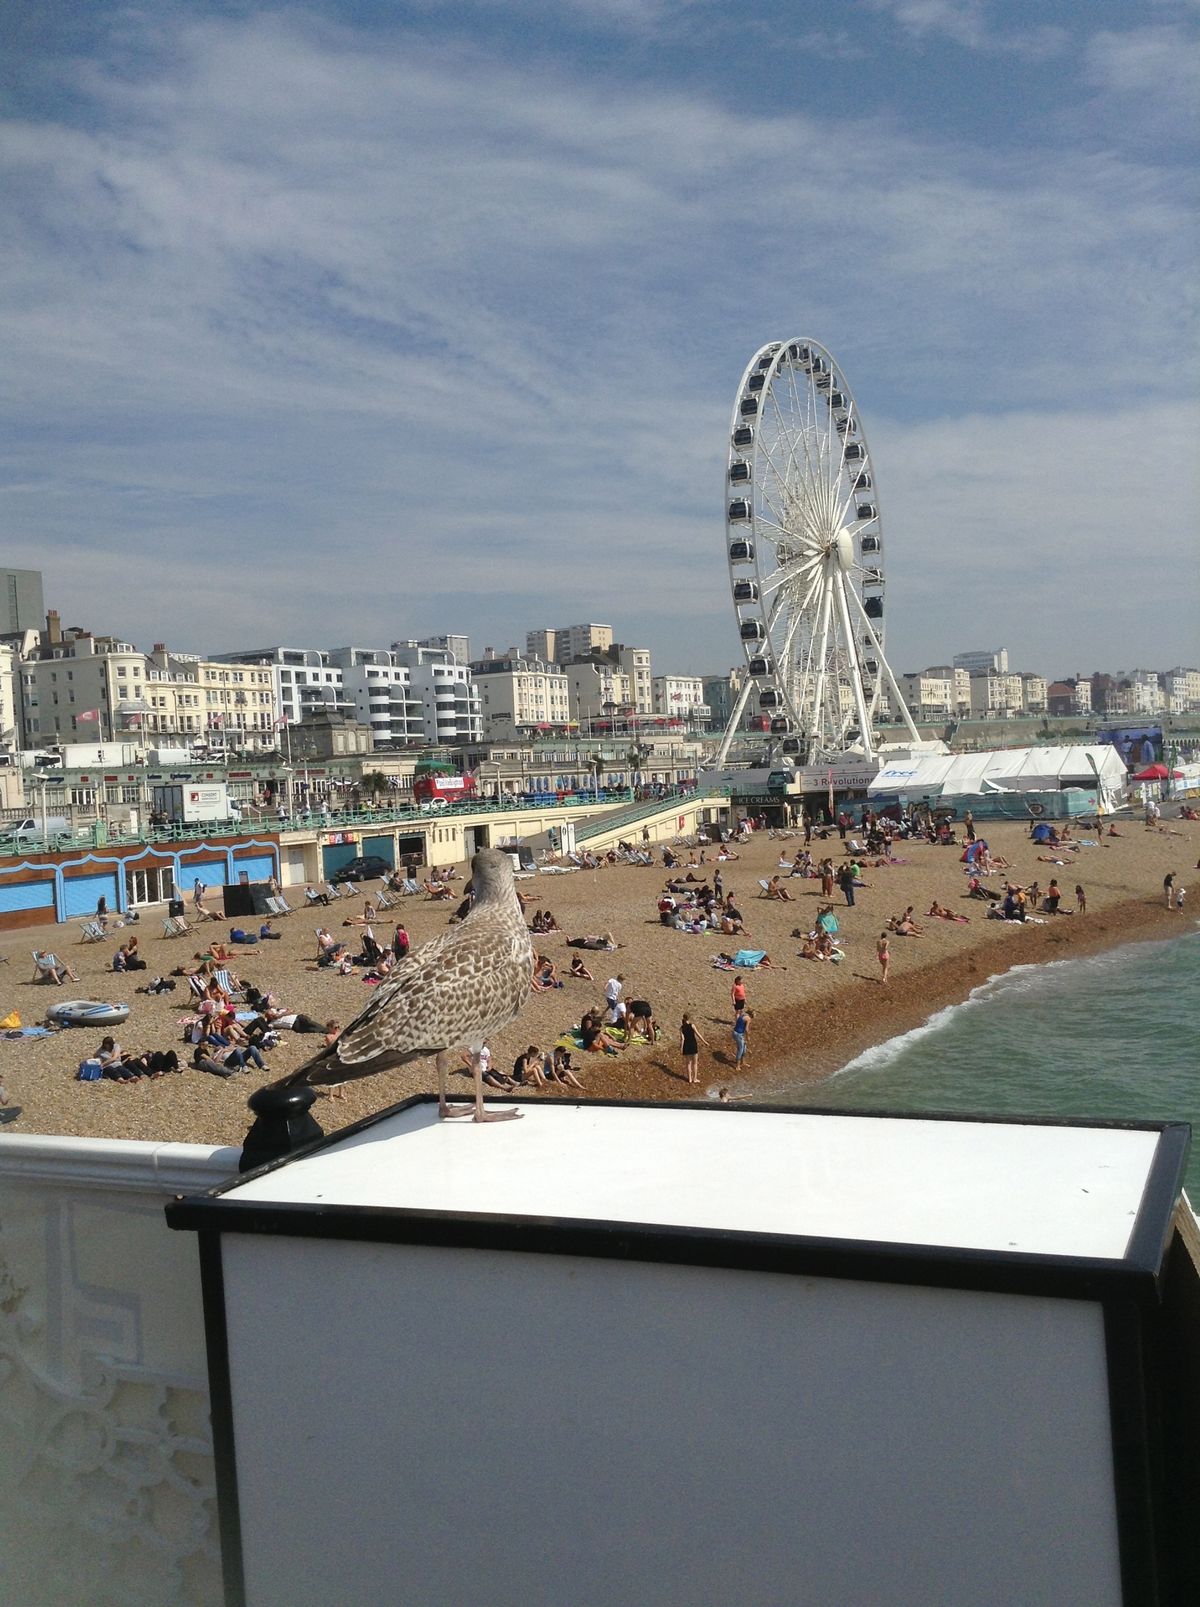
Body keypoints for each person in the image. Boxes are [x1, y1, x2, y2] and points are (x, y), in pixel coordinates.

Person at [679, 1012, 708, 1085]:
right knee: (695, 1063)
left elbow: (682, 1039)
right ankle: (694, 1079)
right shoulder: (692, 1026)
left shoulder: (681, 1028)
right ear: (689, 1018)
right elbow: (698, 1035)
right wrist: (704, 1042)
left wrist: (681, 1048)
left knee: (688, 1063)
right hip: (693, 1045)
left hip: (686, 1046)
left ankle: (690, 1079)